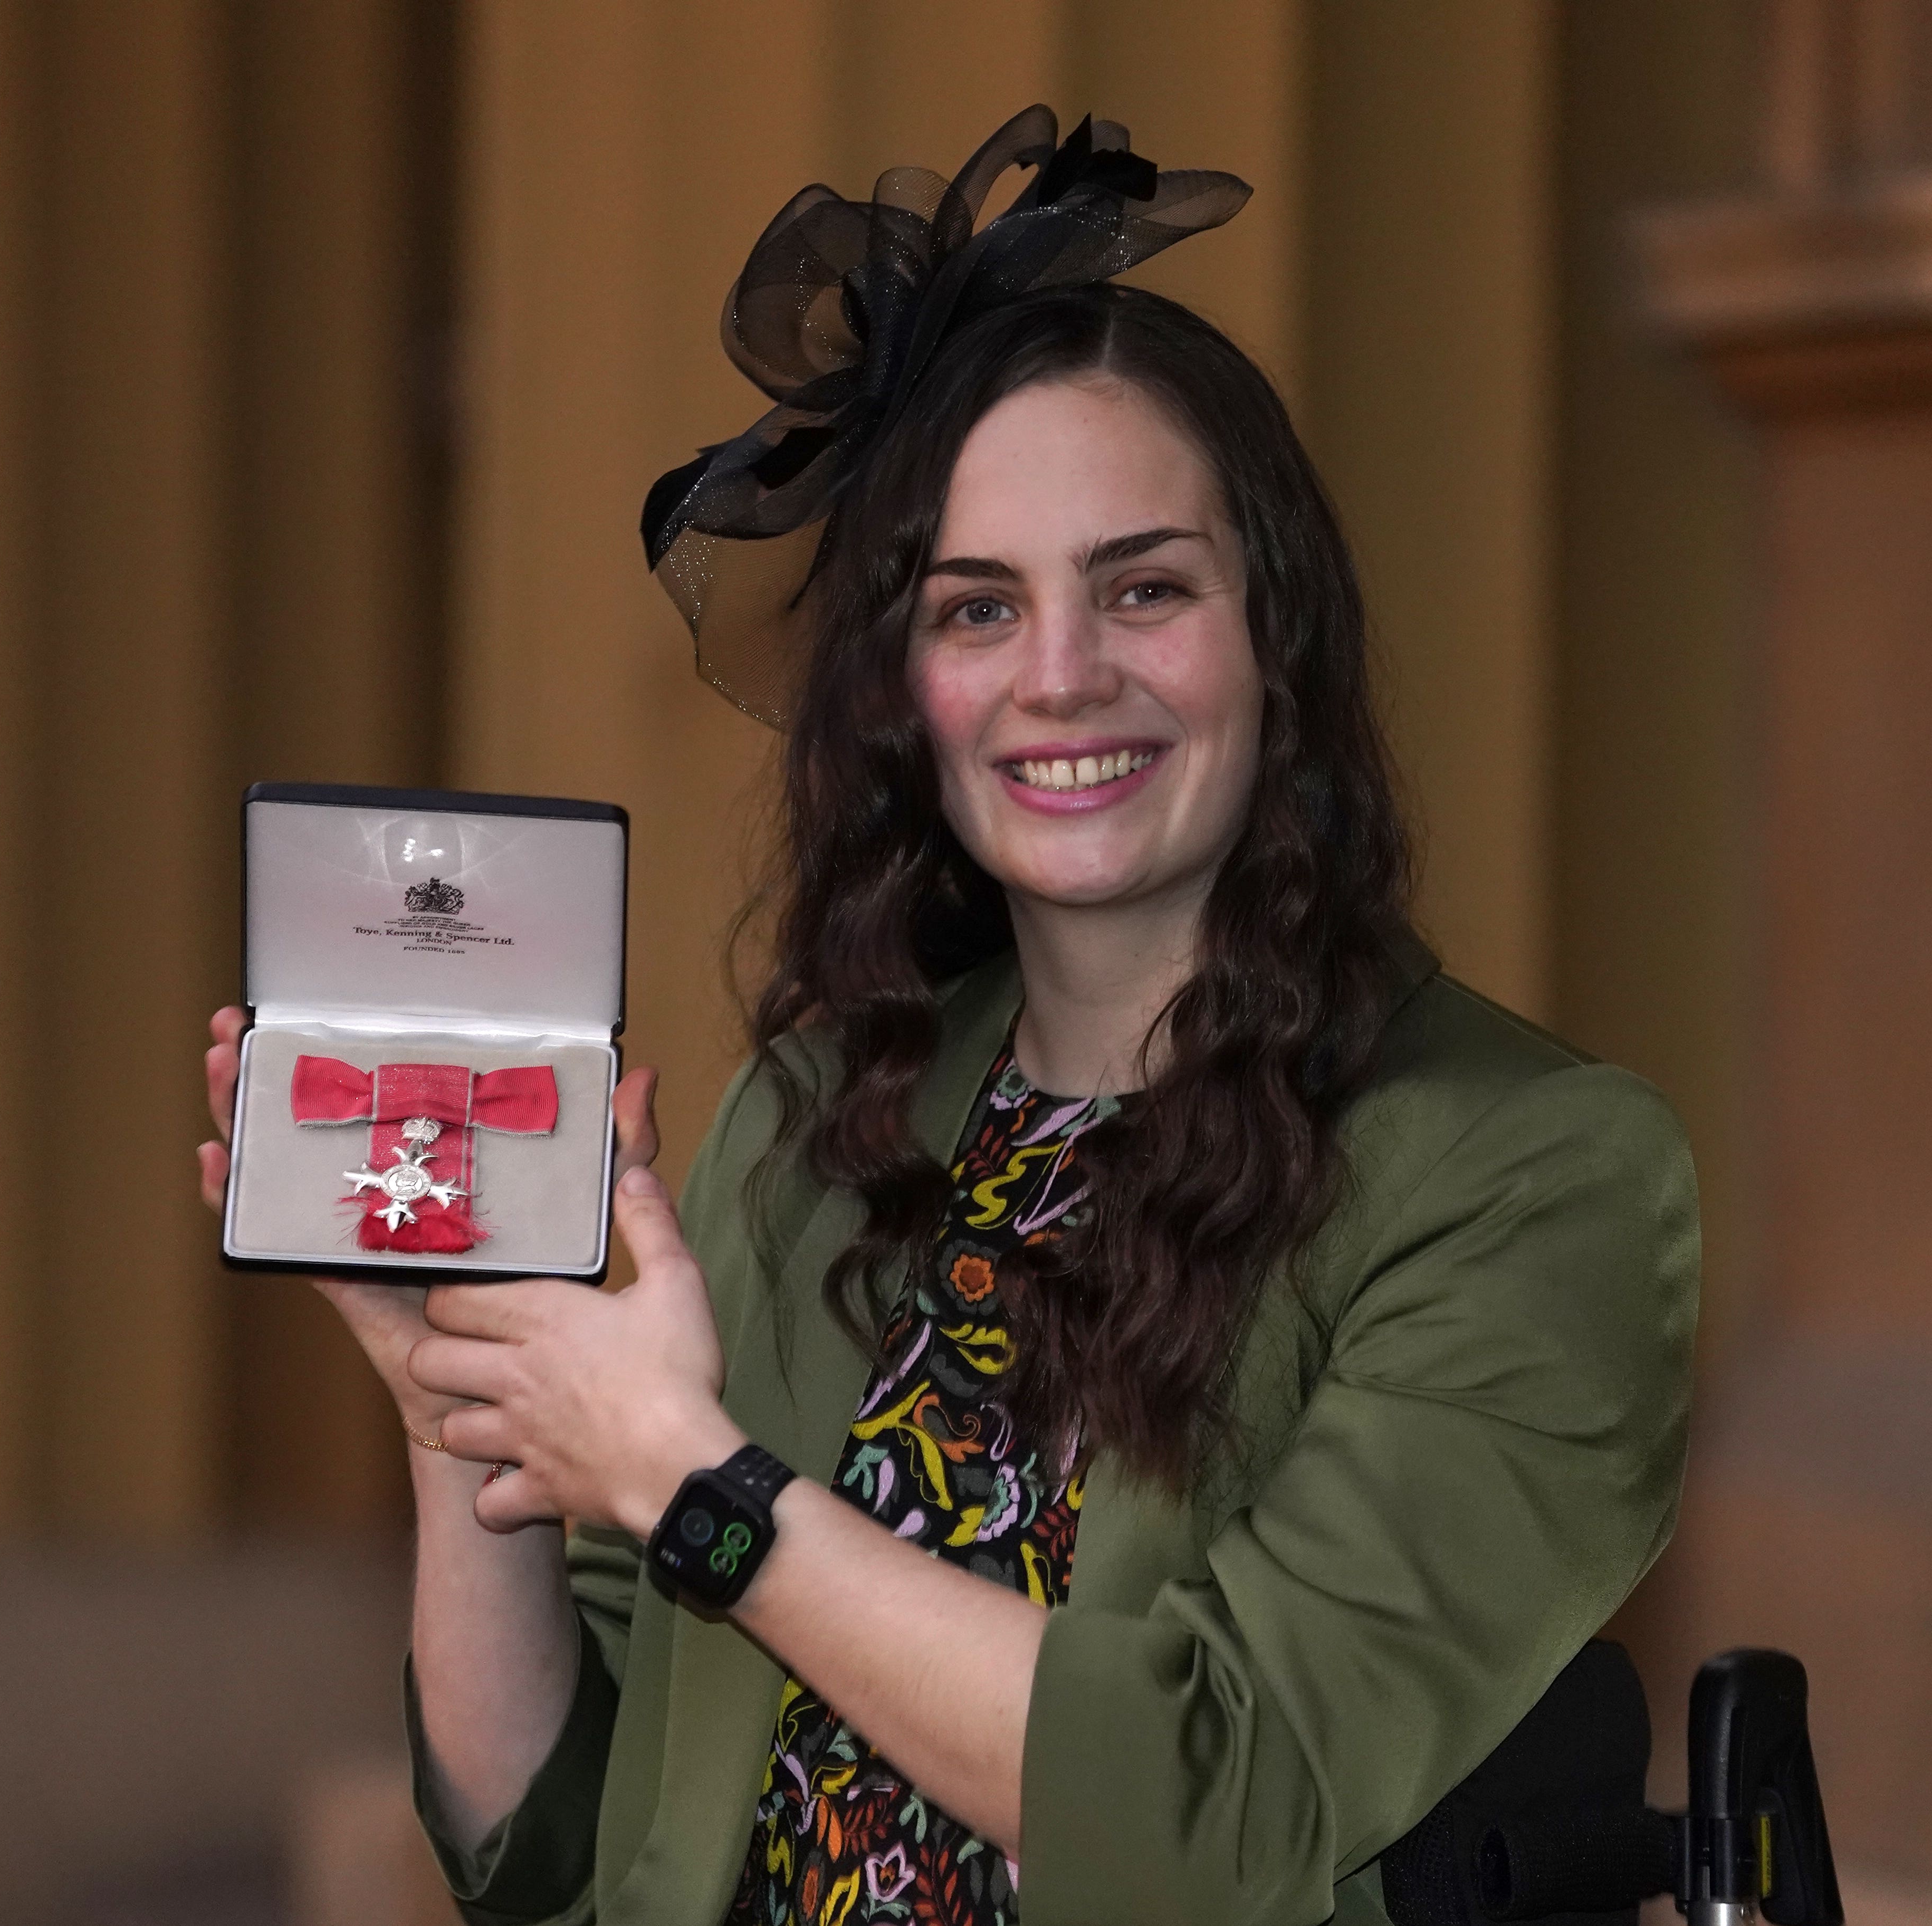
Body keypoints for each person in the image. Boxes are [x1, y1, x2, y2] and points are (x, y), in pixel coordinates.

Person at [197, 108, 1694, 1926]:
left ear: (1275, 634)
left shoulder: (1530, 1174)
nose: (1060, 675)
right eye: (978, 607)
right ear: (905, 687)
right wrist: (467, 1407)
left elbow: (1214, 1814)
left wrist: (697, 1483)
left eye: (1144, 586)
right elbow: (560, 1848)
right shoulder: (823, 1113)